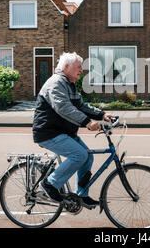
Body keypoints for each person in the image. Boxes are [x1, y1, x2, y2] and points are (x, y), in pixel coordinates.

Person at [32, 52, 112, 209]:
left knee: (87, 157)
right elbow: (63, 107)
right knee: (79, 155)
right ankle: (50, 184)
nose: (81, 70)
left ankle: (82, 195)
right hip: (49, 133)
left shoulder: (69, 84)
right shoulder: (56, 83)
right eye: (79, 67)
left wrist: (102, 114)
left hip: (64, 133)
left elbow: (81, 106)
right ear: (66, 67)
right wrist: (87, 122)